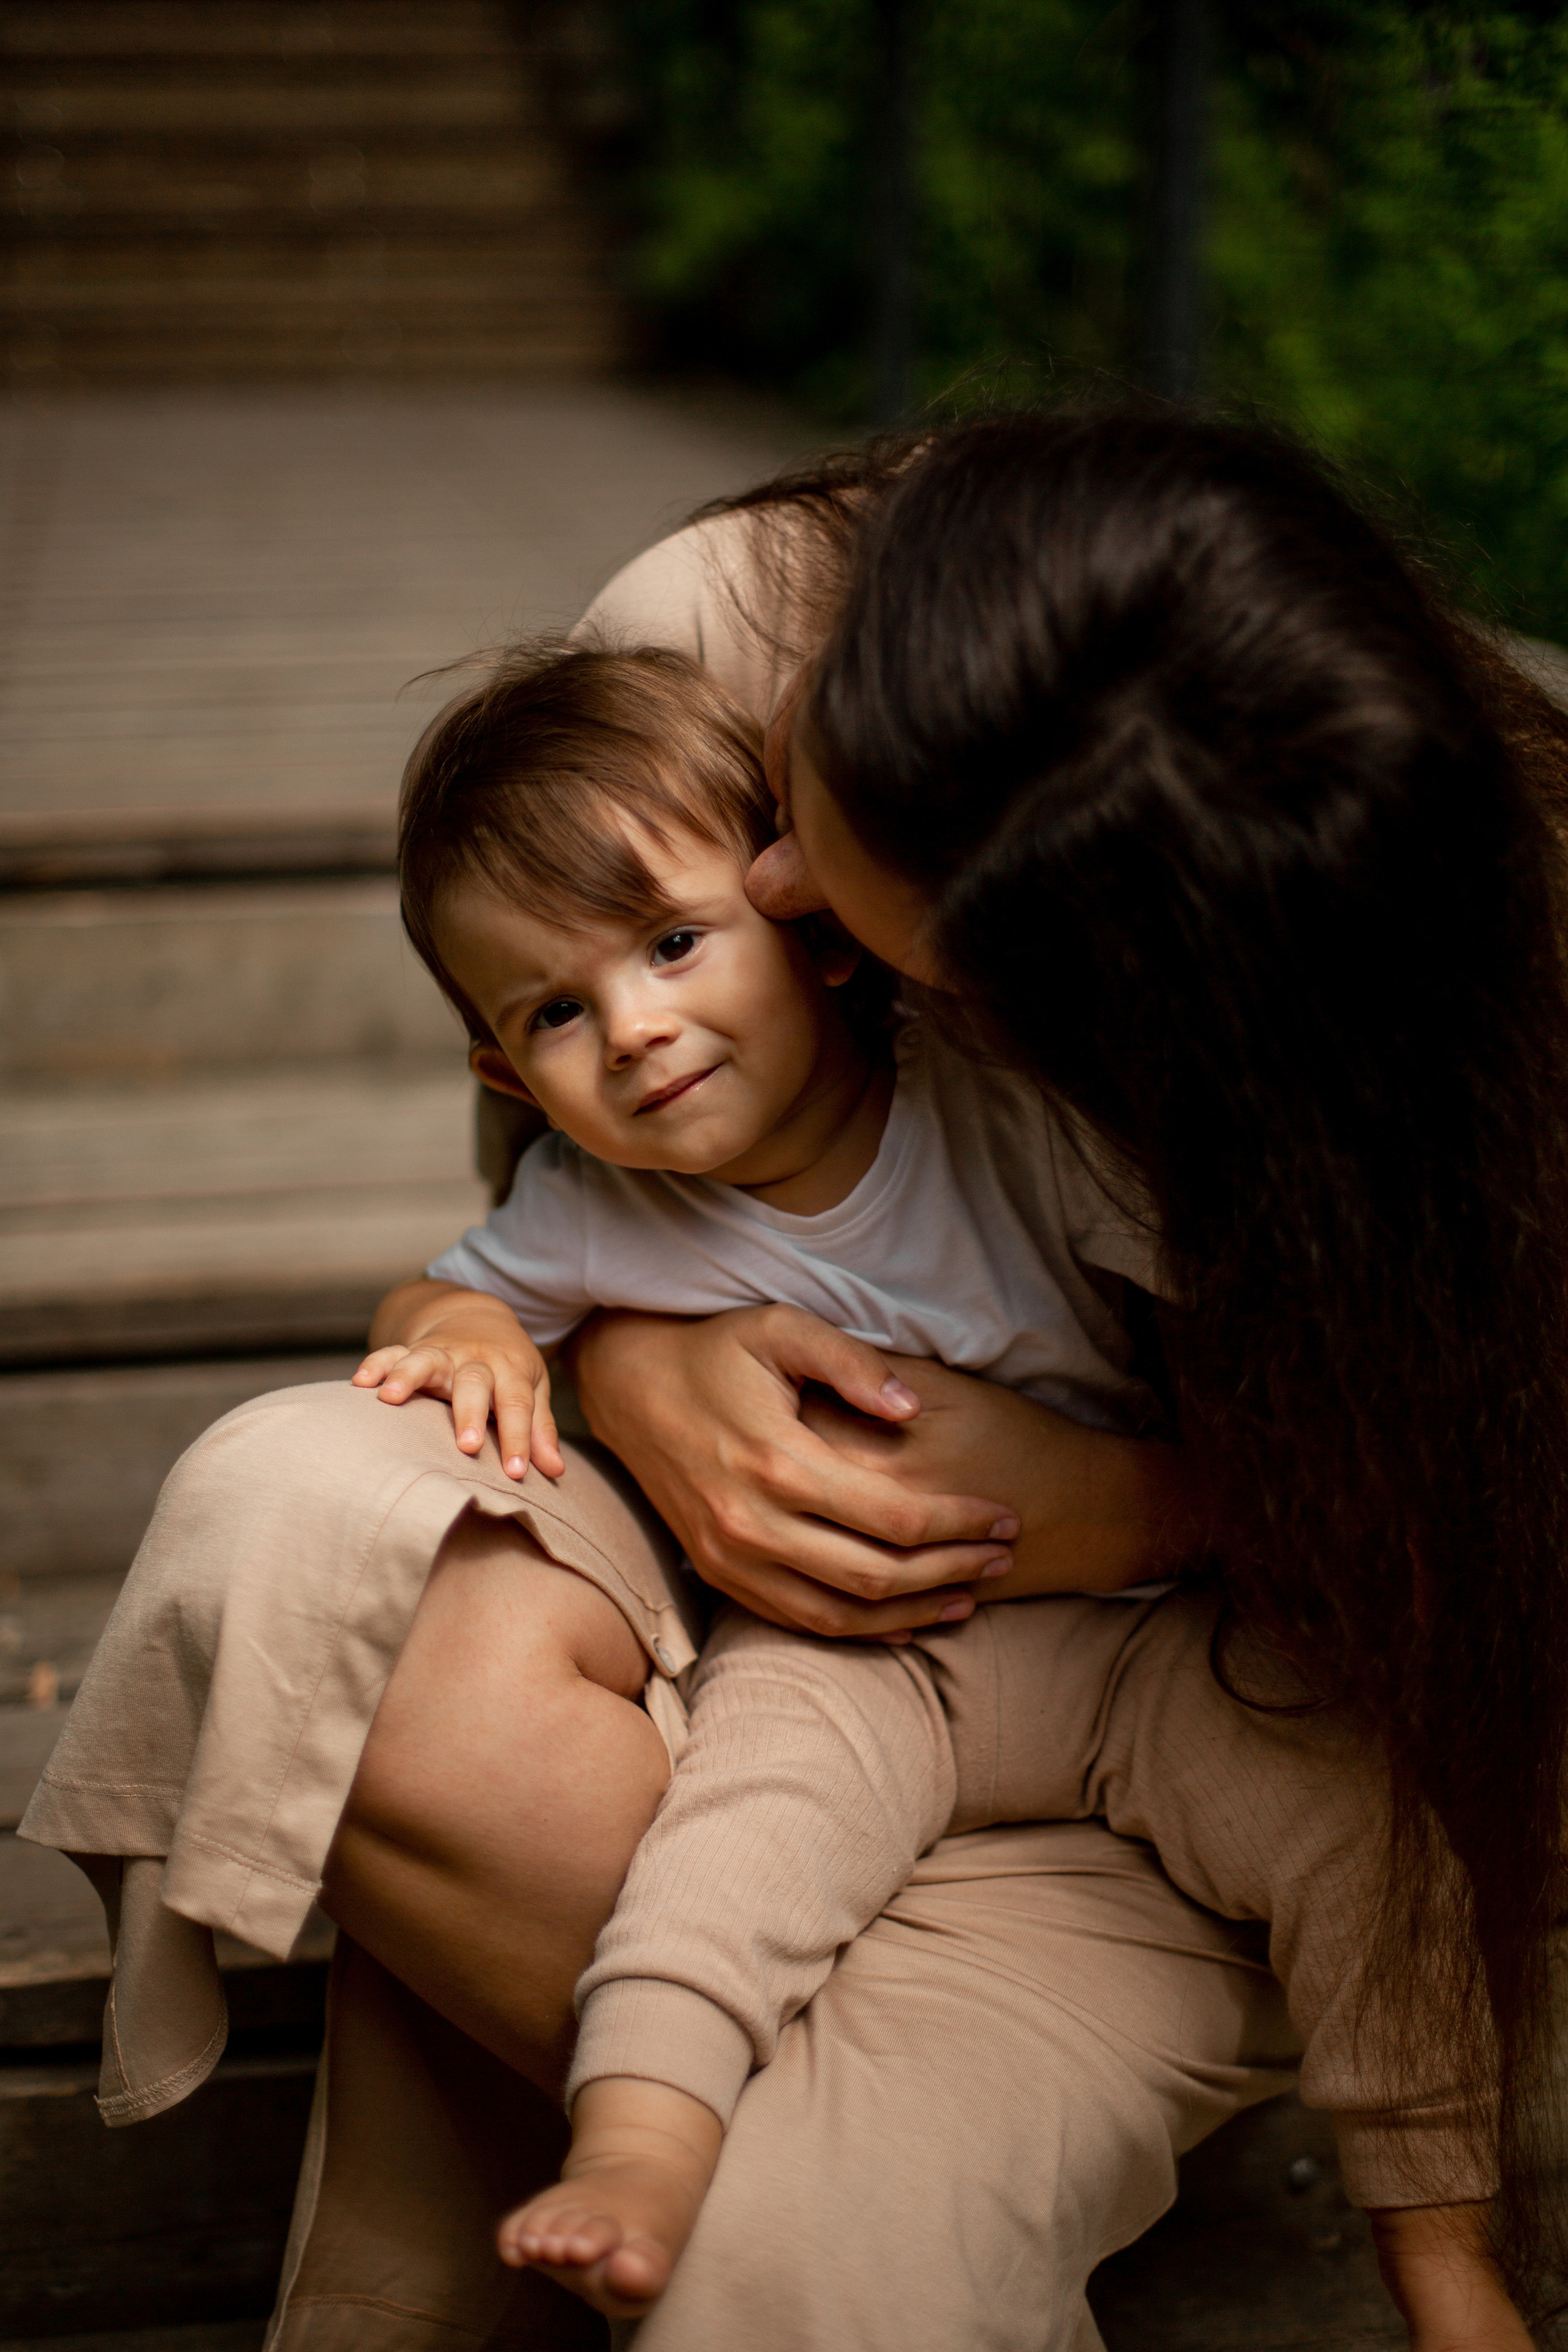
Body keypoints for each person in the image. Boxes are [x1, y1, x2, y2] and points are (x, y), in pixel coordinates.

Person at [19, 409, 1561, 2352]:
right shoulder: (731, 640)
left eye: (785, 892)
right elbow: (542, 1199)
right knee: (293, 1517)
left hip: (1204, 1693)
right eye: (786, 809)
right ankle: (730, 2103)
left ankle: (851, 2151)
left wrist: (1145, 1507)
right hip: (808, 1696)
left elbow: (1467, 1589)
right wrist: (645, 1368)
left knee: (783, 2283)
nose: (777, 887)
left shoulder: (1372, 1051)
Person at [358, 628, 1514, 2333]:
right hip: (861, 1656)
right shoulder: (597, 1214)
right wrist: (460, 1333)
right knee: (735, 1840)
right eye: (556, 1012)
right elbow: (447, 1290)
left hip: (1147, 1640)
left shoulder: (996, 1107)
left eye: (676, 945)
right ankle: (639, 2148)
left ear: (812, 933)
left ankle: (1443, 2250)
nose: (639, 1027)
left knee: (1365, 1812)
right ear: (500, 1077)